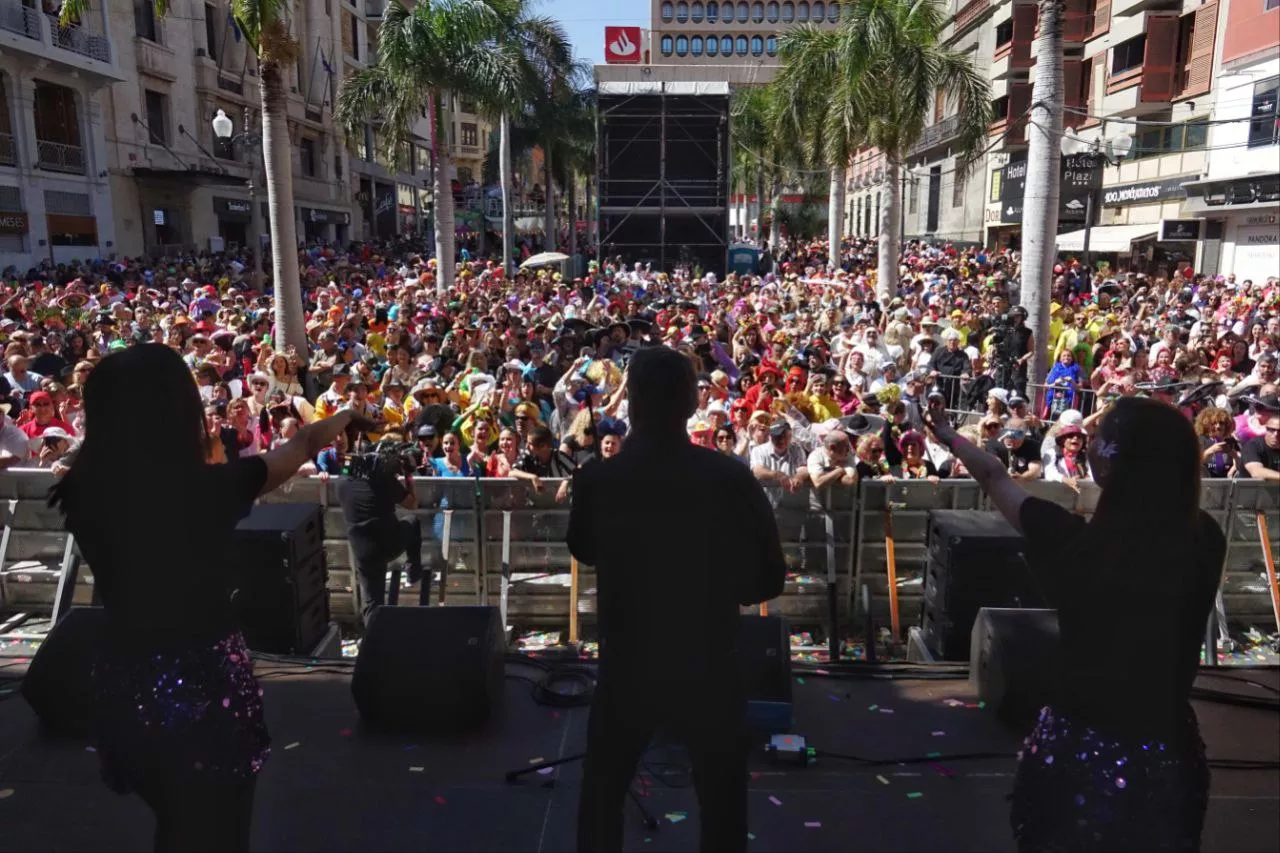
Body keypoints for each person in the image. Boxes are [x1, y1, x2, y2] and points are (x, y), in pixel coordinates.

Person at [47, 344, 373, 853]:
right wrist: (351, 413)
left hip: (125, 681)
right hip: (201, 683)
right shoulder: (207, 490)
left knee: (177, 824)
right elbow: (305, 441)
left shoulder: (82, 490)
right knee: (219, 827)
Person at [922, 395, 1225, 853]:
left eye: (1098, 439)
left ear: (1111, 465)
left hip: (1077, 755)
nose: (1088, 444)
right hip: (1169, 756)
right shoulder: (1205, 538)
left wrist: (948, 436)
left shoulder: (1074, 544)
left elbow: (994, 476)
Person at [567, 346, 786, 853]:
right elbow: (770, 578)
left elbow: (584, 548)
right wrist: (712, 592)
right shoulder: (730, 477)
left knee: (602, 797)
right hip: (709, 662)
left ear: (633, 402)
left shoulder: (599, 478)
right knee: (723, 803)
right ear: (691, 402)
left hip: (628, 665)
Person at [337, 436, 423, 625]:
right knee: (413, 521)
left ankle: (372, 643)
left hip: (362, 550)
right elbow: (413, 504)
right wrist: (408, 474)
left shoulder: (343, 481)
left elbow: (347, 467)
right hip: (387, 544)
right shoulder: (383, 481)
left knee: (372, 603)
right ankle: (413, 571)